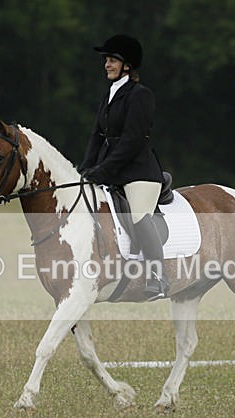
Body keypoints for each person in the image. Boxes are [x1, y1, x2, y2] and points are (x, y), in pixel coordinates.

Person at [79, 34, 169, 301]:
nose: (107, 64)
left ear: (127, 65)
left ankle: (158, 276)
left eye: (112, 60)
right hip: (113, 170)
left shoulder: (141, 95)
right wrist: (85, 169)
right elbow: (97, 136)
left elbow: (131, 141)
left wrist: (103, 170)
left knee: (140, 215)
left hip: (139, 172)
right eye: (106, 59)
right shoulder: (109, 94)